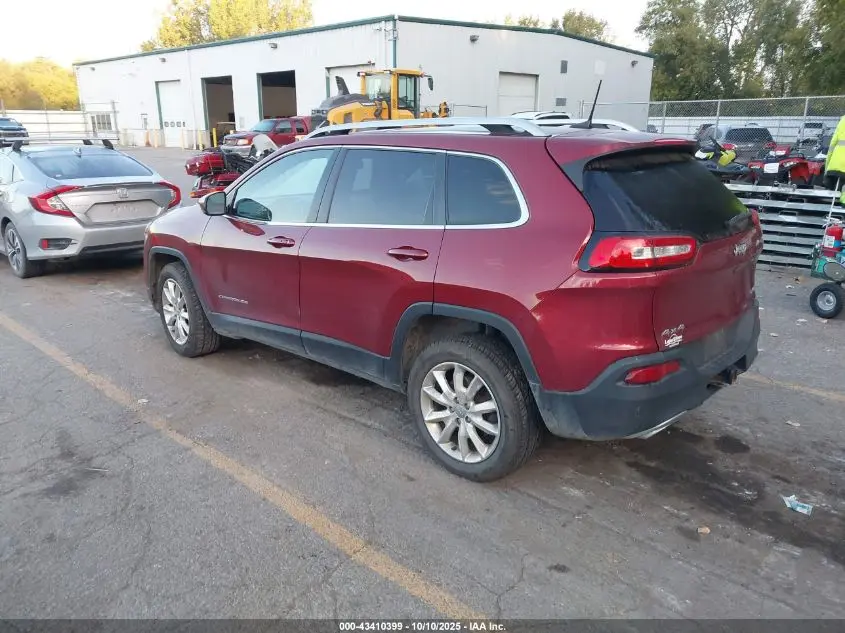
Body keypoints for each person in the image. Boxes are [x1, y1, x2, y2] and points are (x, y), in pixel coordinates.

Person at [824, 114, 845, 192]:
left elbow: (833, 143)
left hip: (834, 166)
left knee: (832, 194)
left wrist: (827, 168)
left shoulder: (843, 120)